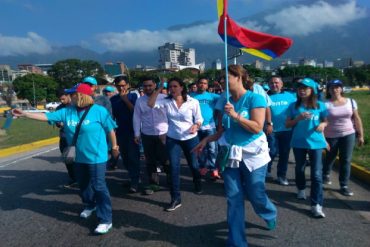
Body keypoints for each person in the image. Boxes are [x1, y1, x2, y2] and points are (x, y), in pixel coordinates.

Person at [12, 83, 119, 234]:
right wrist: (25, 114)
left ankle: (105, 219)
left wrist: (114, 147)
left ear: (80, 96)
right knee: (83, 185)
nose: (69, 96)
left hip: (96, 157)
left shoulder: (99, 111)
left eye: (72, 94)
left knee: (99, 187)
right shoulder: (67, 111)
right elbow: (46, 116)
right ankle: (89, 205)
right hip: (77, 156)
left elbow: (110, 130)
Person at [193, 65, 276, 247]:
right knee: (234, 197)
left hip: (253, 154)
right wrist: (206, 140)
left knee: (256, 193)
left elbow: (256, 127)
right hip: (231, 154)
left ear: (238, 77)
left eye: (225, 77)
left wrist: (236, 115)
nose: (221, 81)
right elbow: (222, 130)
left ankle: (268, 212)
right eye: (221, 78)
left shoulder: (255, 98)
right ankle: (237, 242)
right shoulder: (226, 101)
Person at [148, 77, 203, 212]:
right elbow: (150, 104)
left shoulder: (192, 102)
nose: (172, 89)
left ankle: (197, 182)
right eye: (170, 87)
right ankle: (175, 198)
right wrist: (159, 88)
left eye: (175, 86)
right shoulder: (166, 101)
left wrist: (196, 125)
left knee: (194, 164)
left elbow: (199, 118)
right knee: (173, 167)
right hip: (173, 138)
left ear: (181, 87)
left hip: (191, 138)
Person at [286, 78, 328, 218]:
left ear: (312, 90)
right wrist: (298, 118)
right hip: (298, 142)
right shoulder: (293, 106)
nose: (302, 90)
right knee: (300, 168)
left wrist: (323, 125)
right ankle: (301, 188)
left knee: (316, 174)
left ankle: (316, 204)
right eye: (300, 88)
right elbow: (288, 124)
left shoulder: (320, 105)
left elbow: (325, 120)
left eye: (306, 88)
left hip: (316, 143)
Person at [323, 79, 364, 196]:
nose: (335, 89)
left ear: (341, 88)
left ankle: (344, 185)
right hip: (331, 135)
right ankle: (325, 174)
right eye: (332, 87)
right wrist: (323, 139)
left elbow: (356, 118)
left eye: (337, 87)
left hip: (348, 134)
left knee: (346, 160)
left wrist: (360, 135)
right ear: (328, 90)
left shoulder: (351, 102)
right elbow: (322, 121)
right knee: (330, 157)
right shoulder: (325, 104)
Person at [133, 77, 169, 195]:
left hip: (163, 133)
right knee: (150, 160)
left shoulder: (164, 98)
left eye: (150, 85)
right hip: (147, 134)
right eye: (145, 86)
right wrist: (137, 134)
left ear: (155, 85)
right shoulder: (140, 101)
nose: (147, 88)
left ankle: (171, 180)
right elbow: (137, 117)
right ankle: (154, 183)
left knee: (166, 159)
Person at [110, 76, 141, 193]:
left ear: (128, 85)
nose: (121, 88)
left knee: (133, 157)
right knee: (126, 158)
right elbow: (112, 115)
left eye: (123, 85)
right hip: (120, 131)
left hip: (133, 131)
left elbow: (135, 111)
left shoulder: (134, 96)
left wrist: (125, 99)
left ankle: (135, 181)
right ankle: (133, 177)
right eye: (118, 86)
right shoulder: (113, 99)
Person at [267, 76, 296, 185]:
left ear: (282, 84)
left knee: (284, 154)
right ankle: (267, 170)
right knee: (272, 152)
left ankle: (281, 175)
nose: (274, 85)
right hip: (271, 130)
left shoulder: (290, 96)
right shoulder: (265, 96)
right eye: (271, 83)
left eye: (276, 82)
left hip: (287, 130)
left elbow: (296, 110)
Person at [190, 77, 220, 179]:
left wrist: (220, 86)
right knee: (199, 149)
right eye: (201, 83)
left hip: (210, 126)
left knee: (212, 149)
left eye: (205, 83)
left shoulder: (213, 96)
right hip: (196, 127)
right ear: (197, 84)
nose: (202, 85)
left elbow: (226, 97)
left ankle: (213, 168)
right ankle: (202, 167)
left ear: (207, 86)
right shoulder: (190, 97)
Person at [54, 89, 76, 188]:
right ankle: (74, 179)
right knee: (68, 159)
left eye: (63, 99)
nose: (62, 101)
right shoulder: (59, 108)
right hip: (65, 137)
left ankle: (84, 179)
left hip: (77, 137)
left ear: (68, 96)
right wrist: (58, 123)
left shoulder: (76, 106)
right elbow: (57, 122)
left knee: (80, 160)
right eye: (60, 100)